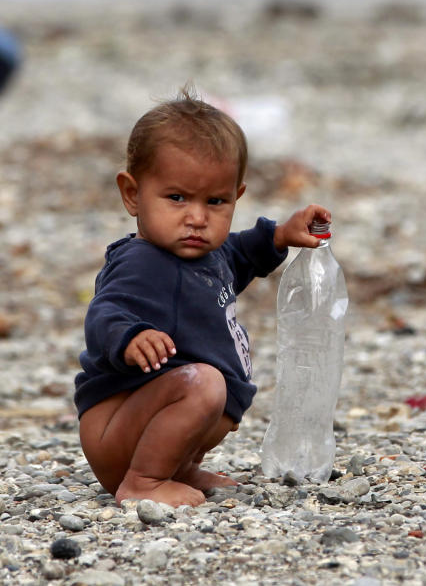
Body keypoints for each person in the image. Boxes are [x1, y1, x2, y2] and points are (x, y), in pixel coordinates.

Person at [75, 91, 329, 507]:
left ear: (237, 196)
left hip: (143, 421)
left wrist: (282, 234)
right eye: (177, 198)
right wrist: (131, 336)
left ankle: (176, 466)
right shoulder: (143, 261)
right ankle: (144, 481)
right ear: (133, 195)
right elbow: (105, 310)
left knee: (210, 385)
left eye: (216, 201)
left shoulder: (211, 254)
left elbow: (243, 252)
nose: (197, 217)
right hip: (115, 428)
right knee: (204, 383)